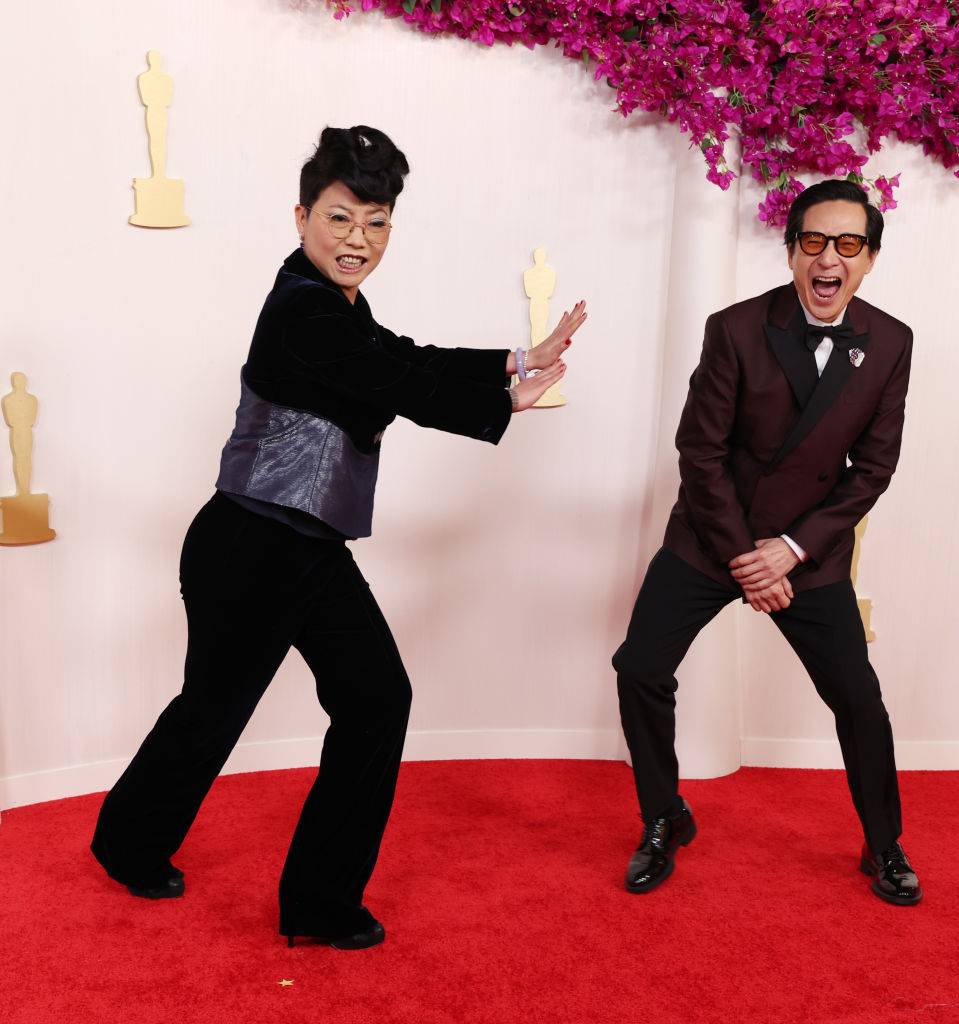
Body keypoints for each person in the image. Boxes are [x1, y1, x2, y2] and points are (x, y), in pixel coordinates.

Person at [91, 125, 587, 949]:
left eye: (377, 222)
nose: (359, 239)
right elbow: (394, 382)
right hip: (248, 544)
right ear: (301, 216)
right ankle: (129, 841)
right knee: (214, 711)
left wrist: (512, 359)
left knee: (374, 699)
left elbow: (400, 352)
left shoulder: (339, 304)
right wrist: (504, 404)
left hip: (305, 547)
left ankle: (317, 904)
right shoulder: (301, 310)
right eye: (340, 218)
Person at [613, 179, 920, 906]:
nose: (828, 258)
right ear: (789, 251)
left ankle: (884, 845)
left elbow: (871, 469)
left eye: (848, 245)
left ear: (869, 258)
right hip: (713, 534)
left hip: (803, 553)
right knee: (640, 668)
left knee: (858, 699)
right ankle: (664, 817)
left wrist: (791, 549)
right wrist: (747, 559)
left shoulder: (890, 343)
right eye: (813, 242)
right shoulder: (735, 328)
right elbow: (700, 453)